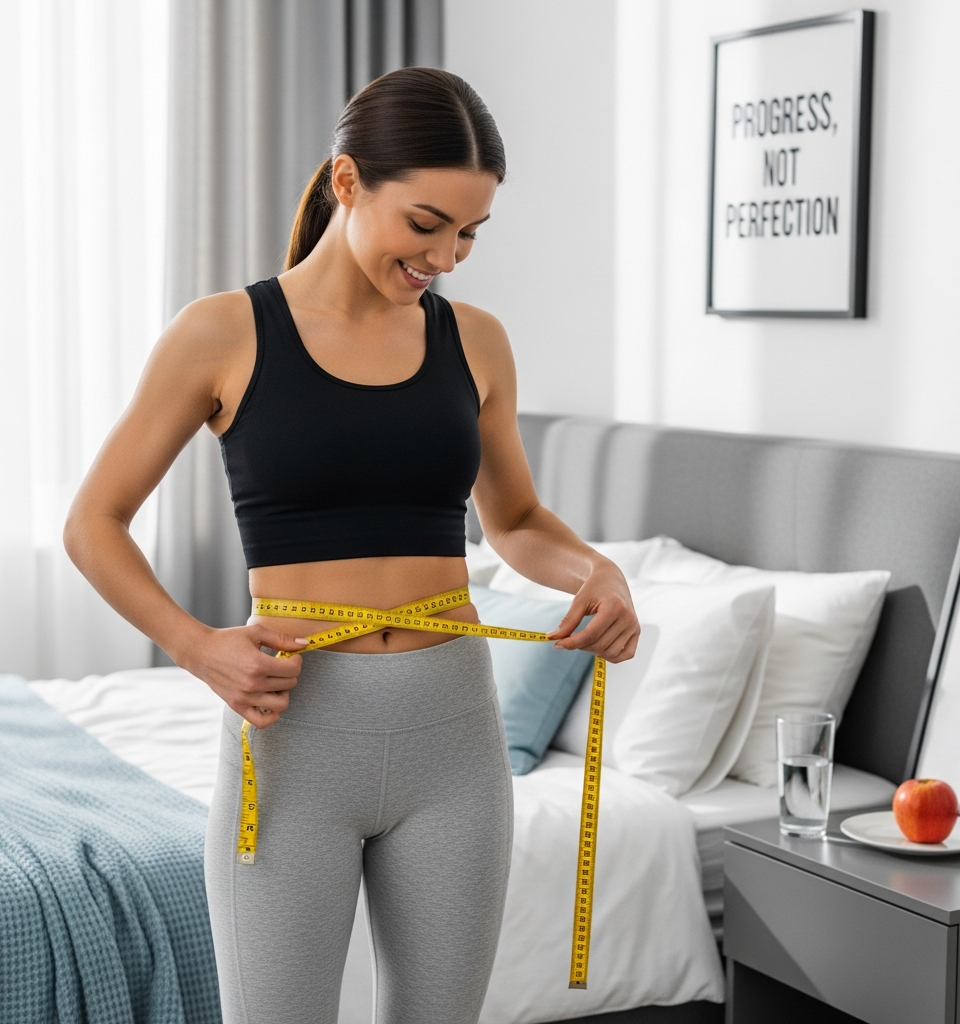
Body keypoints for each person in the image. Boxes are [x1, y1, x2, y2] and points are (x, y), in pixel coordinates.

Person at [64, 67, 640, 1024]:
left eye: (469, 233)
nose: (448, 257)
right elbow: (94, 521)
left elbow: (518, 523)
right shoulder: (224, 332)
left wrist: (599, 570)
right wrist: (198, 645)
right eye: (426, 225)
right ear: (346, 183)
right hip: (296, 741)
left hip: (454, 738)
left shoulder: (478, 342)